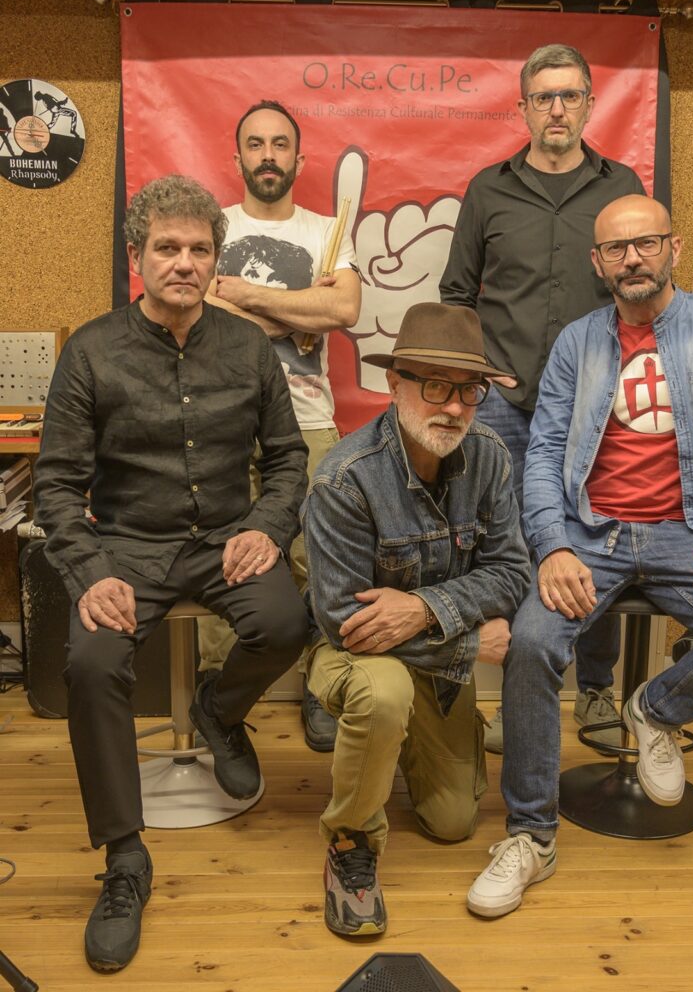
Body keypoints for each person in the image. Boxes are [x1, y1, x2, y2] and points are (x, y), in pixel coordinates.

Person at [467, 194, 693, 919]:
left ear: (672, 248)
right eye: (616, 249)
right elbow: (543, 453)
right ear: (598, 263)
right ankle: (530, 836)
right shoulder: (577, 341)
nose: (632, 259)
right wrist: (552, 544)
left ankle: (654, 709)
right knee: (530, 644)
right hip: (592, 532)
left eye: (645, 243)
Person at [33, 175, 310, 972]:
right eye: (167, 248)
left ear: (216, 260)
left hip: (227, 538)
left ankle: (219, 710)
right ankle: (125, 858)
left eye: (198, 249)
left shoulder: (248, 347)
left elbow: (287, 459)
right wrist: (90, 572)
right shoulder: (91, 351)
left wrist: (265, 526)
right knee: (92, 663)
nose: (184, 263)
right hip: (126, 546)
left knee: (286, 623)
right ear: (138, 258)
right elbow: (56, 484)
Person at [440, 44, 646, 753]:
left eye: (569, 96)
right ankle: (515, 697)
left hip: (599, 405)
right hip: (505, 405)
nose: (556, 109)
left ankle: (596, 689)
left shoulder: (620, 186)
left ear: (588, 103)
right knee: (509, 547)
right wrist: (479, 371)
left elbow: (640, 285)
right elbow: (456, 293)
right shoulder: (488, 190)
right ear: (523, 107)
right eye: (543, 97)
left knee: (598, 539)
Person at [301, 302, 530, 936]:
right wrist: (466, 642)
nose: (453, 406)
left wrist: (423, 608)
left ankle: (402, 742)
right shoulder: (344, 477)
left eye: (468, 390)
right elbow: (344, 621)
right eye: (434, 386)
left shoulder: (490, 457)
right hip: (351, 654)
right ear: (394, 383)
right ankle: (349, 843)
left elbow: (512, 573)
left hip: (431, 658)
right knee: (383, 694)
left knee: (454, 823)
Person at [199, 99, 361, 753]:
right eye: (255, 143)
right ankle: (219, 695)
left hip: (309, 421)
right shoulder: (211, 227)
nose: (268, 155)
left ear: (299, 157)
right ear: (236, 155)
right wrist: (298, 313)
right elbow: (197, 313)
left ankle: (322, 689)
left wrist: (243, 294)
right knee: (224, 559)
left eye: (280, 144)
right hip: (220, 423)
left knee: (320, 561)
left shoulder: (328, 230)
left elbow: (344, 309)